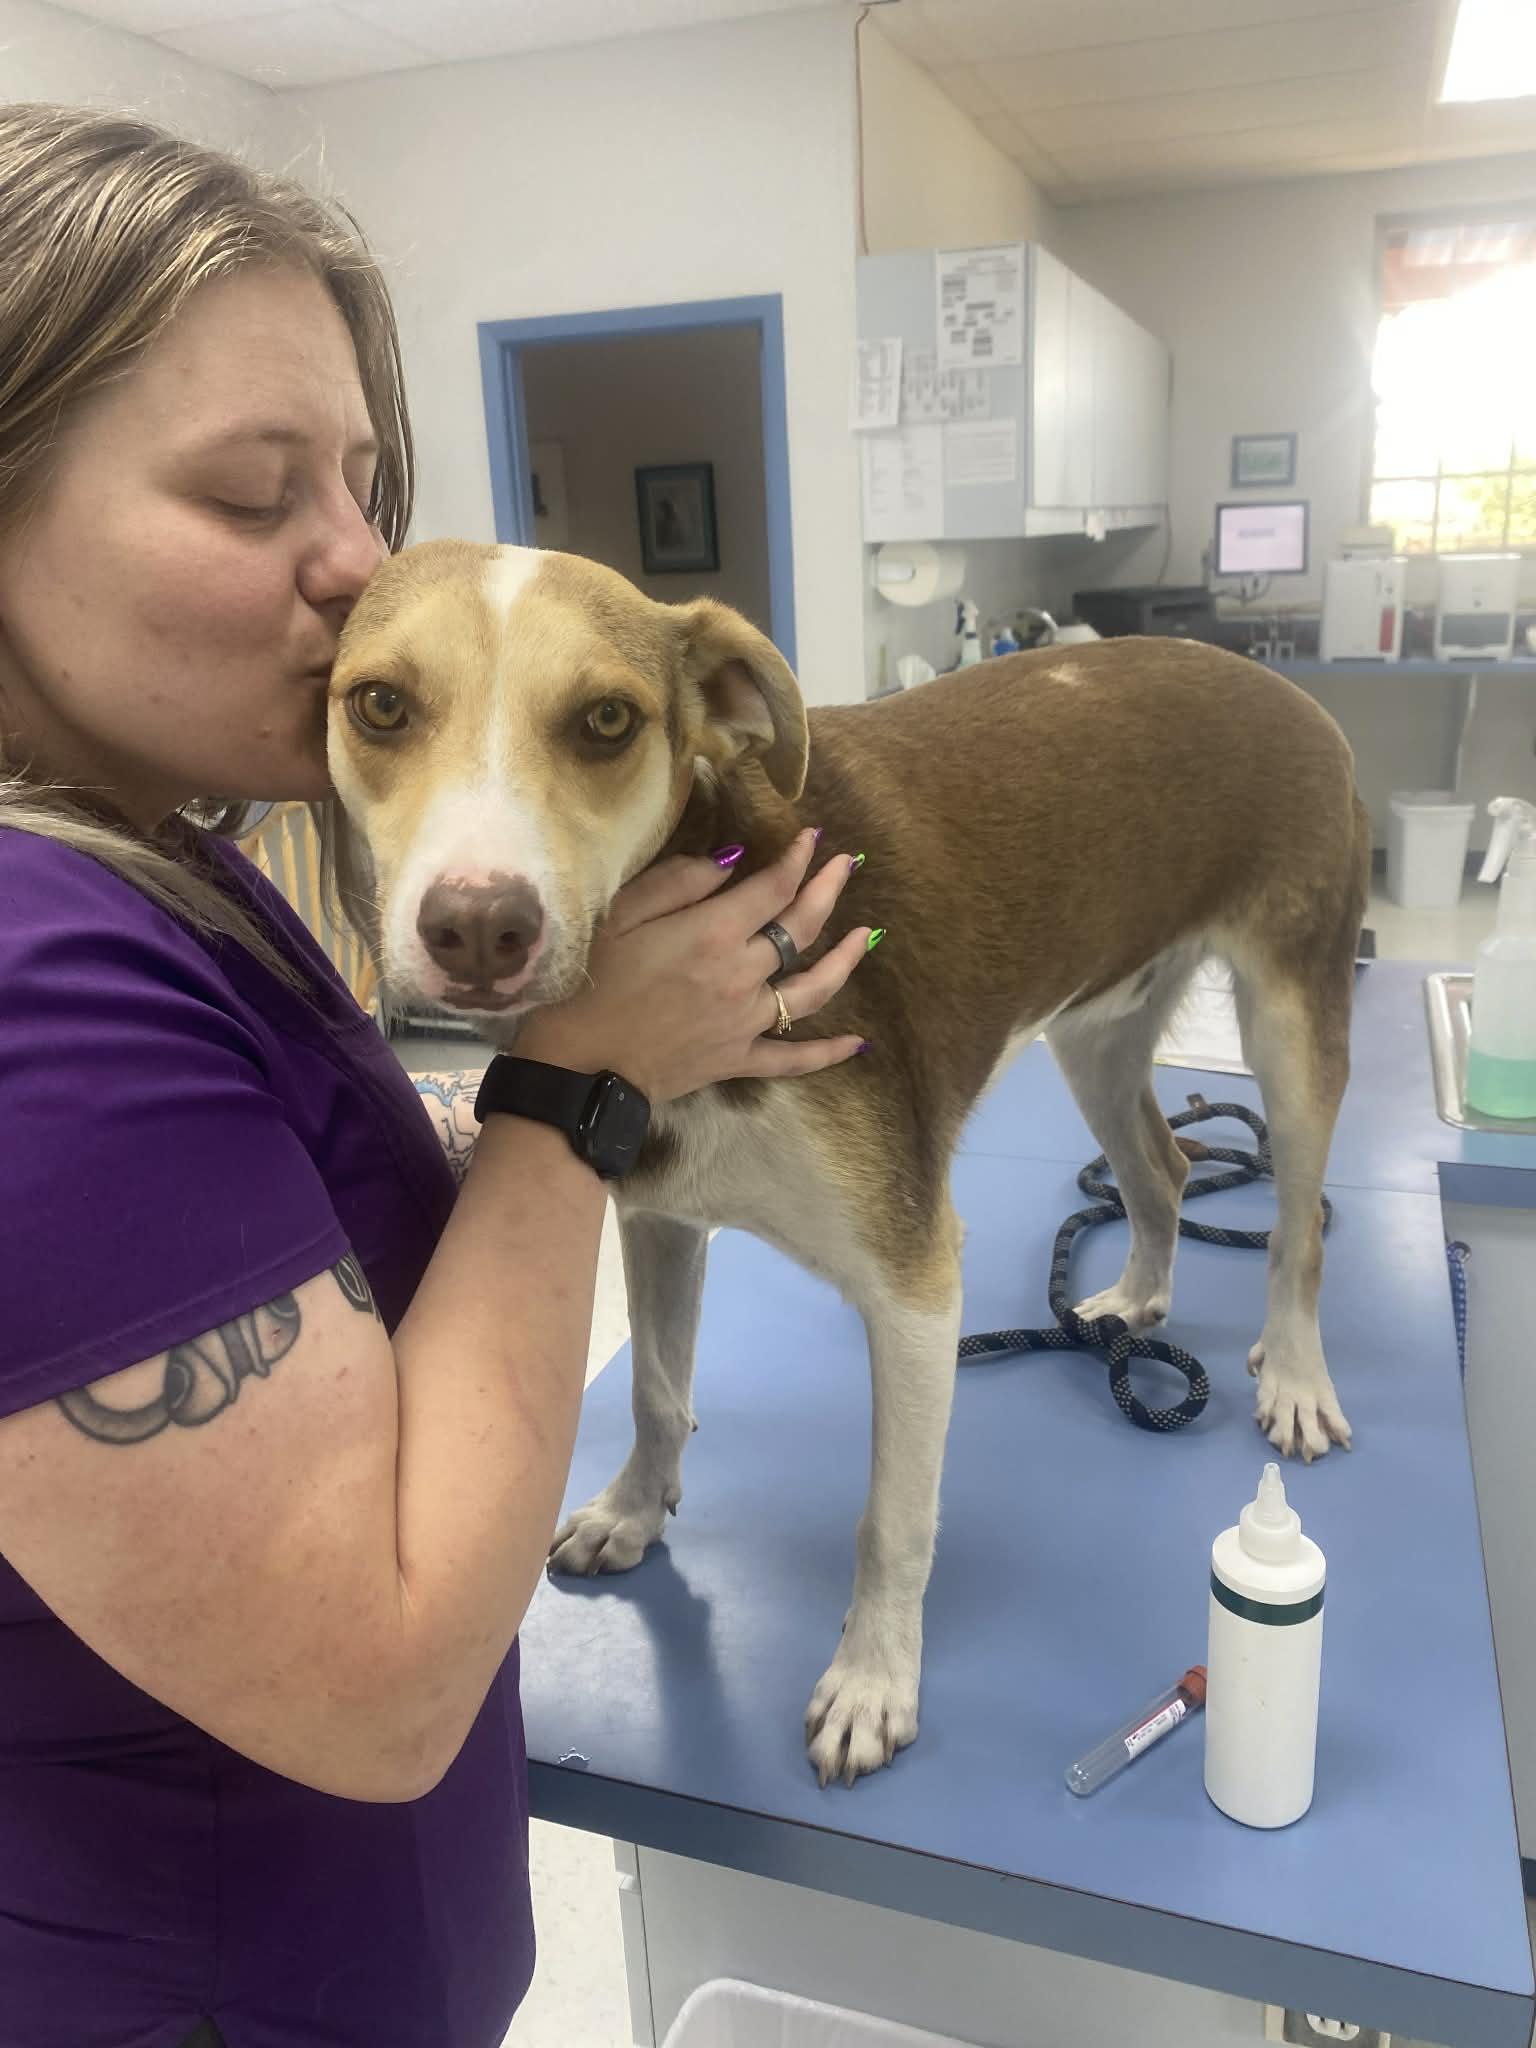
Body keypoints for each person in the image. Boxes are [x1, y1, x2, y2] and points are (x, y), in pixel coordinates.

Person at [0, 105, 872, 2048]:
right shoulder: (27, 993)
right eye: (255, 496)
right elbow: (383, 1676)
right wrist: (579, 1079)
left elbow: (275, 1231)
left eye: (362, 481)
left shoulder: (153, 865)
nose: (358, 561)